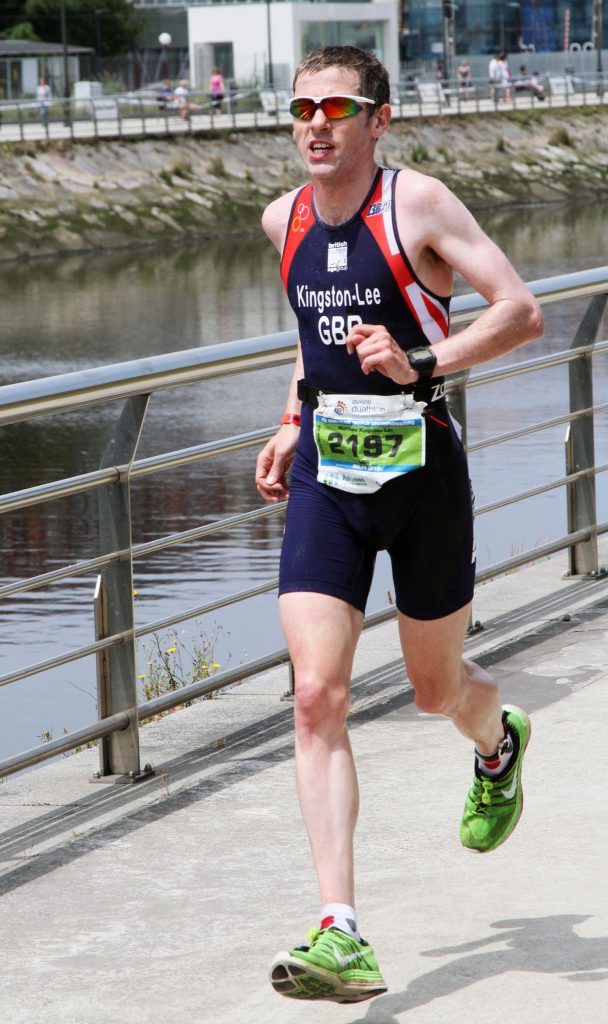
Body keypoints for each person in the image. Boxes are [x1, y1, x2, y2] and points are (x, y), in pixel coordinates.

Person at [255, 44, 542, 1004]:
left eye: (336, 107)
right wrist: (294, 419)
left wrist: (423, 360)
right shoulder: (281, 220)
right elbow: (310, 340)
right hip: (329, 484)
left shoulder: (415, 204)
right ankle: (341, 930)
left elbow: (521, 312)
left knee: (433, 691)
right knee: (315, 699)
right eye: (301, 108)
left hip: (423, 477)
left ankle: (496, 742)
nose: (315, 124)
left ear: (378, 119)